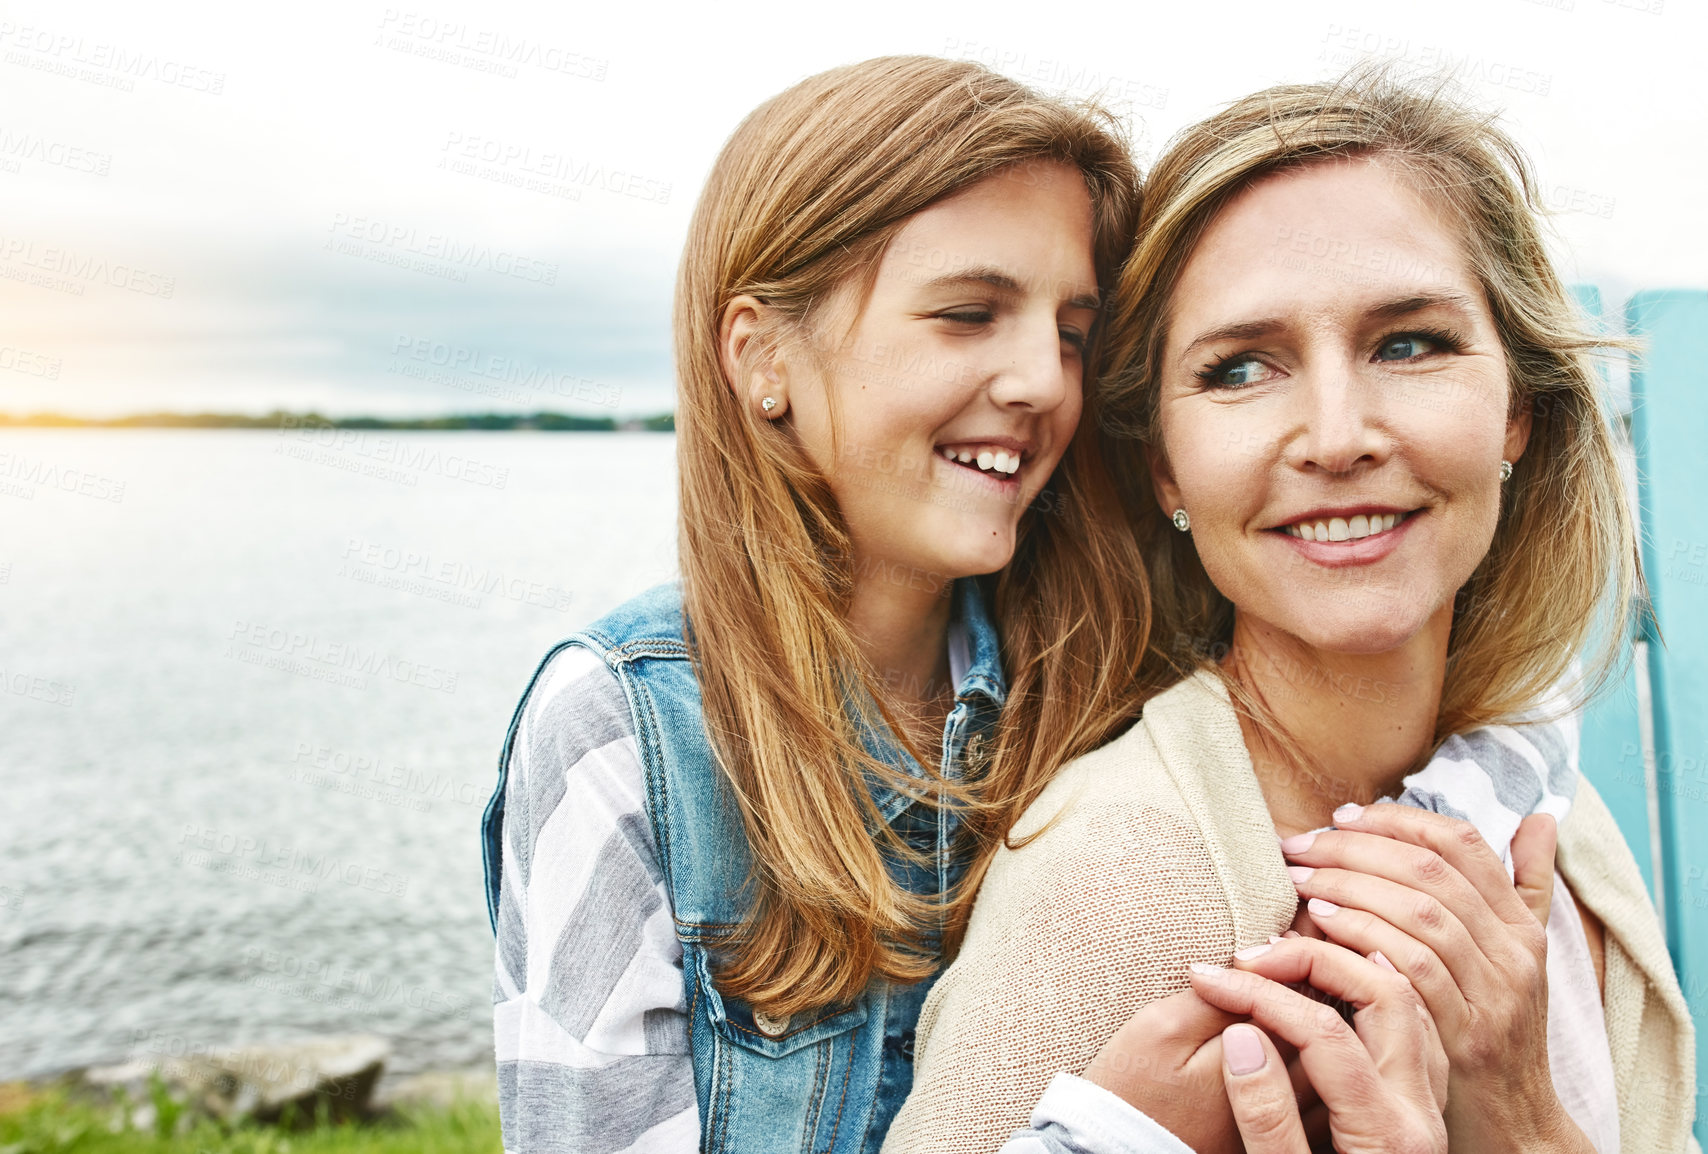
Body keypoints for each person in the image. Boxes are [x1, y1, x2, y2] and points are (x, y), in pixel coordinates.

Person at [888, 72, 1696, 1154]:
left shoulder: (1532, 797)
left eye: (1407, 343)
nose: (1334, 434)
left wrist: (1521, 1120)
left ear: (1516, 410)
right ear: (1165, 470)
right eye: (1239, 368)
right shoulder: (1118, 884)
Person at [479, 55, 1161, 1154]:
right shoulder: (622, 732)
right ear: (762, 357)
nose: (1043, 381)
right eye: (967, 313)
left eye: (1072, 333)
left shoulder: (1121, 684)